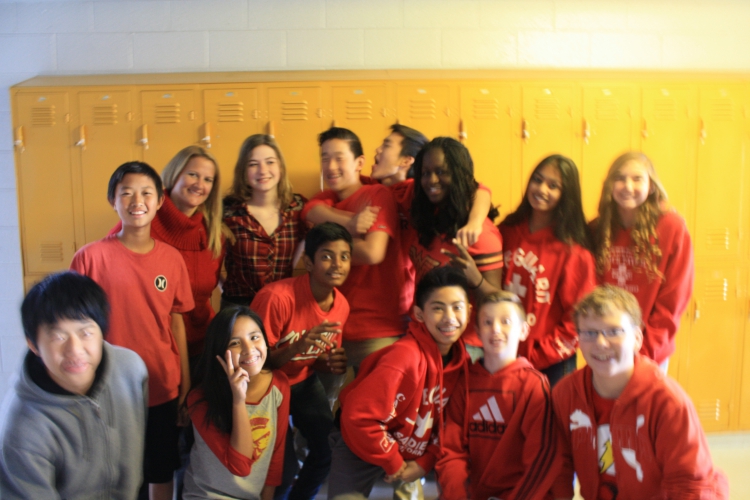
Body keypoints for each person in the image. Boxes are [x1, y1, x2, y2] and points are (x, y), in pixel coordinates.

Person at [70, 161, 194, 500]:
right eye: (126, 193)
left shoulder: (172, 259)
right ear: (113, 200)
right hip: (108, 387)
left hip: (161, 384)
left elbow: (176, 323)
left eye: (146, 193)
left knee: (161, 467)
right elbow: (76, 327)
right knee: (115, 471)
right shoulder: (90, 258)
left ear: (159, 202)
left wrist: (184, 384)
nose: (137, 201)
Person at [551, 285, 728, 499]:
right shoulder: (566, 394)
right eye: (590, 333)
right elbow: (559, 468)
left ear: (636, 338)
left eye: (613, 332)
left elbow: (691, 485)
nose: (601, 343)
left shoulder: (667, 401)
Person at [0, 271, 148, 499]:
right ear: (33, 345)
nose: (75, 350)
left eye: (86, 333)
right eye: (58, 337)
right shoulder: (21, 429)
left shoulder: (130, 370)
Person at [327, 267, 470, 498]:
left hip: (409, 452)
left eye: (457, 307)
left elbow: (448, 426)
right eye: (438, 308)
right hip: (359, 443)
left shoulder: (463, 366)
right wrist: (393, 463)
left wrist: (424, 463)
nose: (449, 317)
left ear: (469, 311)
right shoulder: (404, 358)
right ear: (419, 314)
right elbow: (359, 418)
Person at [251, 222, 352, 499]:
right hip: (265, 385)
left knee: (328, 449)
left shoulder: (341, 305)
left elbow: (315, 360)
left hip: (302, 380)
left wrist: (330, 363)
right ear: (308, 262)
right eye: (327, 256)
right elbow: (254, 365)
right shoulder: (276, 298)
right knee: (282, 470)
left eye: (344, 256)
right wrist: (298, 345)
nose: (337, 264)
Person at [435, 291, 561, 499]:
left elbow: (540, 456)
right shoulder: (463, 381)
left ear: (523, 330)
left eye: (505, 321)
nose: (495, 329)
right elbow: (451, 450)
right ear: (477, 331)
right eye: (487, 322)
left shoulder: (534, 385)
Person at [302, 127, 408, 369]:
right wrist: (350, 224)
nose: (330, 166)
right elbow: (308, 209)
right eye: (325, 158)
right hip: (333, 329)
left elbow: (372, 252)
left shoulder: (376, 194)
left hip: (377, 330)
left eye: (339, 158)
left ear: (359, 162)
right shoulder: (324, 200)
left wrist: (325, 248)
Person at [111, 145, 226, 358]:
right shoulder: (142, 219)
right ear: (175, 174)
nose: (199, 185)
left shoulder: (213, 233)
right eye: (192, 174)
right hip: (152, 347)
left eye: (208, 179)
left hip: (202, 345)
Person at [591, 151, 694, 372]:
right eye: (619, 178)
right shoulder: (597, 229)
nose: (627, 186)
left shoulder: (672, 228)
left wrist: (645, 351)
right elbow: (589, 292)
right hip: (605, 348)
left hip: (651, 352)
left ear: (651, 186)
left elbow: (673, 300)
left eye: (637, 179)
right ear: (609, 185)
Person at [498, 154, 596, 386]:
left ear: (566, 194)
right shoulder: (507, 230)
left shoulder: (574, 251)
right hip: (501, 353)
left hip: (550, 363)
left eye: (553, 186)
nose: (541, 189)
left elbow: (579, 318)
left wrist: (536, 356)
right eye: (537, 180)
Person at [406, 136, 503, 356]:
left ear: (458, 175)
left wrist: (476, 279)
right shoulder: (427, 216)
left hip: (464, 346)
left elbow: (497, 302)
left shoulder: (480, 234)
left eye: (441, 172)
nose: (431, 180)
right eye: (425, 173)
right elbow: (482, 189)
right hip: (423, 336)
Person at [183, 306, 289, 500]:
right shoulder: (199, 398)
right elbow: (240, 466)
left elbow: (276, 453)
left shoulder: (278, 385)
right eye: (235, 343)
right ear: (219, 351)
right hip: (206, 495)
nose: (249, 349)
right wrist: (238, 400)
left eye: (255, 337)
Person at [223, 134, 307, 307]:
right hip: (238, 307)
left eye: (270, 162)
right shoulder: (228, 212)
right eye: (253, 164)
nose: (262, 170)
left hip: (281, 305)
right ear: (243, 171)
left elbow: (309, 237)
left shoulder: (297, 207)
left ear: (280, 167)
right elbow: (207, 259)